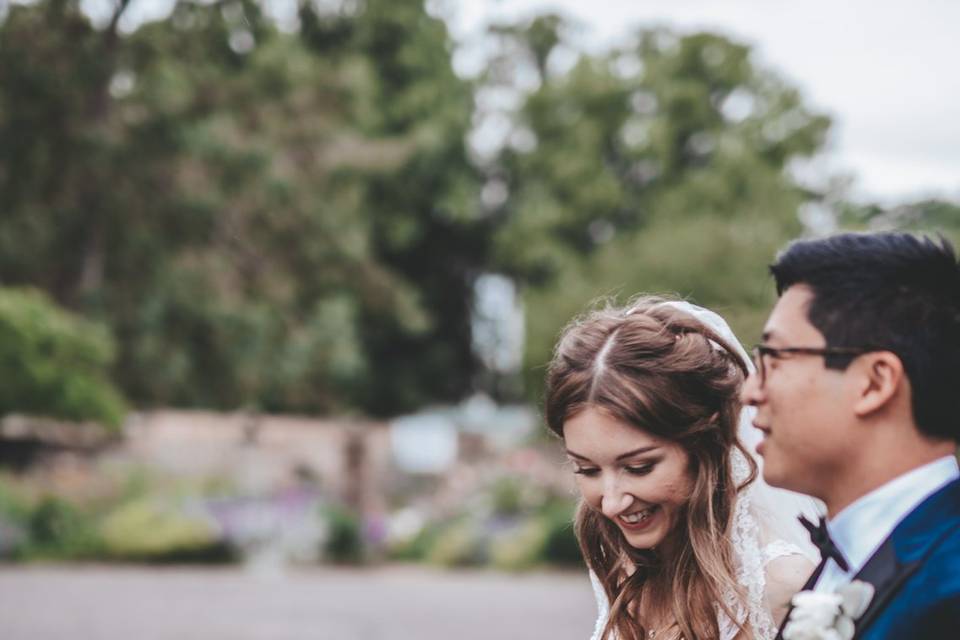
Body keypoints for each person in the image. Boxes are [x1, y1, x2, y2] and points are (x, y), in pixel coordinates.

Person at [545, 297, 819, 640]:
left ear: (705, 443)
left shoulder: (782, 588)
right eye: (587, 470)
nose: (611, 503)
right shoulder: (628, 574)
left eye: (639, 467)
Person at [740, 232, 960, 640]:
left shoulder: (950, 584)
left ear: (874, 382)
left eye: (774, 358)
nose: (749, 392)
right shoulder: (837, 562)